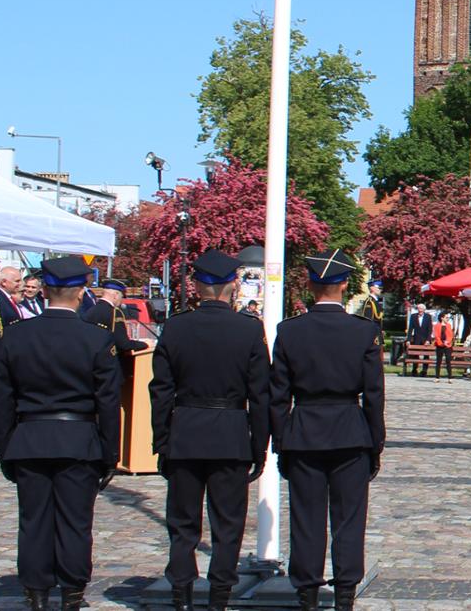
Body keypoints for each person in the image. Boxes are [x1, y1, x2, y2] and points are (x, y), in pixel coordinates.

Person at [0, 256, 121, 611]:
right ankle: (72, 594)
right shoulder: (95, 339)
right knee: (76, 522)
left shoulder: (16, 336)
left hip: (29, 438)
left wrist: (5, 445)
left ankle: (37, 593)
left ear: (45, 290)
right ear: (80, 292)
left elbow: (0, 398)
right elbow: (108, 403)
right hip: (79, 440)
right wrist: (110, 453)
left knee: (34, 522)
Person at [148, 250, 271, 611]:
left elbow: (160, 390)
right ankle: (219, 596)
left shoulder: (176, 326)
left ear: (197, 285)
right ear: (233, 285)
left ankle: (182, 592)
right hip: (231, 434)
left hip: (185, 431)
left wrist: (162, 439)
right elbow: (259, 394)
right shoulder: (248, 328)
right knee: (228, 525)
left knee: (183, 524)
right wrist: (259, 445)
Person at [270, 249, 386, 611]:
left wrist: (281, 442)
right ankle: (345, 594)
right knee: (349, 519)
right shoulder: (363, 331)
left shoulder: (289, 331)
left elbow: (277, 396)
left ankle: (306, 593)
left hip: (304, 430)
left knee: (306, 518)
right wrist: (375, 443)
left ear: (309, 283)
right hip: (350, 431)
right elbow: (374, 395)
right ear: (345, 284)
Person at [83, 277, 148, 362]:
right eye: (121, 296)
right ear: (115, 295)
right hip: (108, 361)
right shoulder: (114, 312)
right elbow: (123, 344)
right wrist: (145, 344)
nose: (121, 300)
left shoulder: (91, 311)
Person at [431, 309, 457, 380]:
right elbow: (436, 336)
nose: (447, 319)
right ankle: (437, 377)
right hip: (440, 345)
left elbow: (450, 335)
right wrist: (441, 343)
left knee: (448, 360)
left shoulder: (448, 325)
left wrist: (447, 342)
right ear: (442, 318)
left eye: (448, 318)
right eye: (446, 318)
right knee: (438, 361)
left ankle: (450, 377)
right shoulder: (437, 325)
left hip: (447, 346)